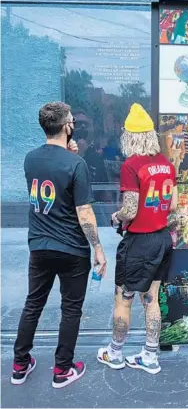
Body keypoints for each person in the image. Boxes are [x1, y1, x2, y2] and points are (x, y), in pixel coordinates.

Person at [11, 102, 107, 389]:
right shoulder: (76, 164)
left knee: (33, 304)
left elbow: (52, 176)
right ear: (67, 127)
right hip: (72, 249)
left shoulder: (30, 159)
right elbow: (84, 213)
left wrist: (69, 155)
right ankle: (62, 370)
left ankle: (19, 364)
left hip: (39, 246)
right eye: (72, 121)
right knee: (71, 309)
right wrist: (98, 248)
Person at [97, 103, 177, 375]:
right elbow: (173, 205)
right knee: (151, 299)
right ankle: (150, 356)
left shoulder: (131, 165)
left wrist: (115, 217)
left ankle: (115, 353)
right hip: (162, 238)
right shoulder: (166, 164)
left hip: (139, 241)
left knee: (124, 299)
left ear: (128, 137)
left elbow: (130, 209)